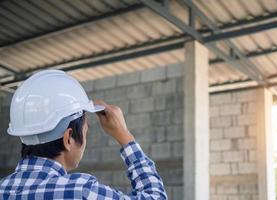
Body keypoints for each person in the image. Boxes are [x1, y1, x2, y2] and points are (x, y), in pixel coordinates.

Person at [0, 70, 167, 199]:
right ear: (68, 138)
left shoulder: (3, 188)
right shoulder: (81, 191)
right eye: (86, 130)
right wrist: (124, 136)